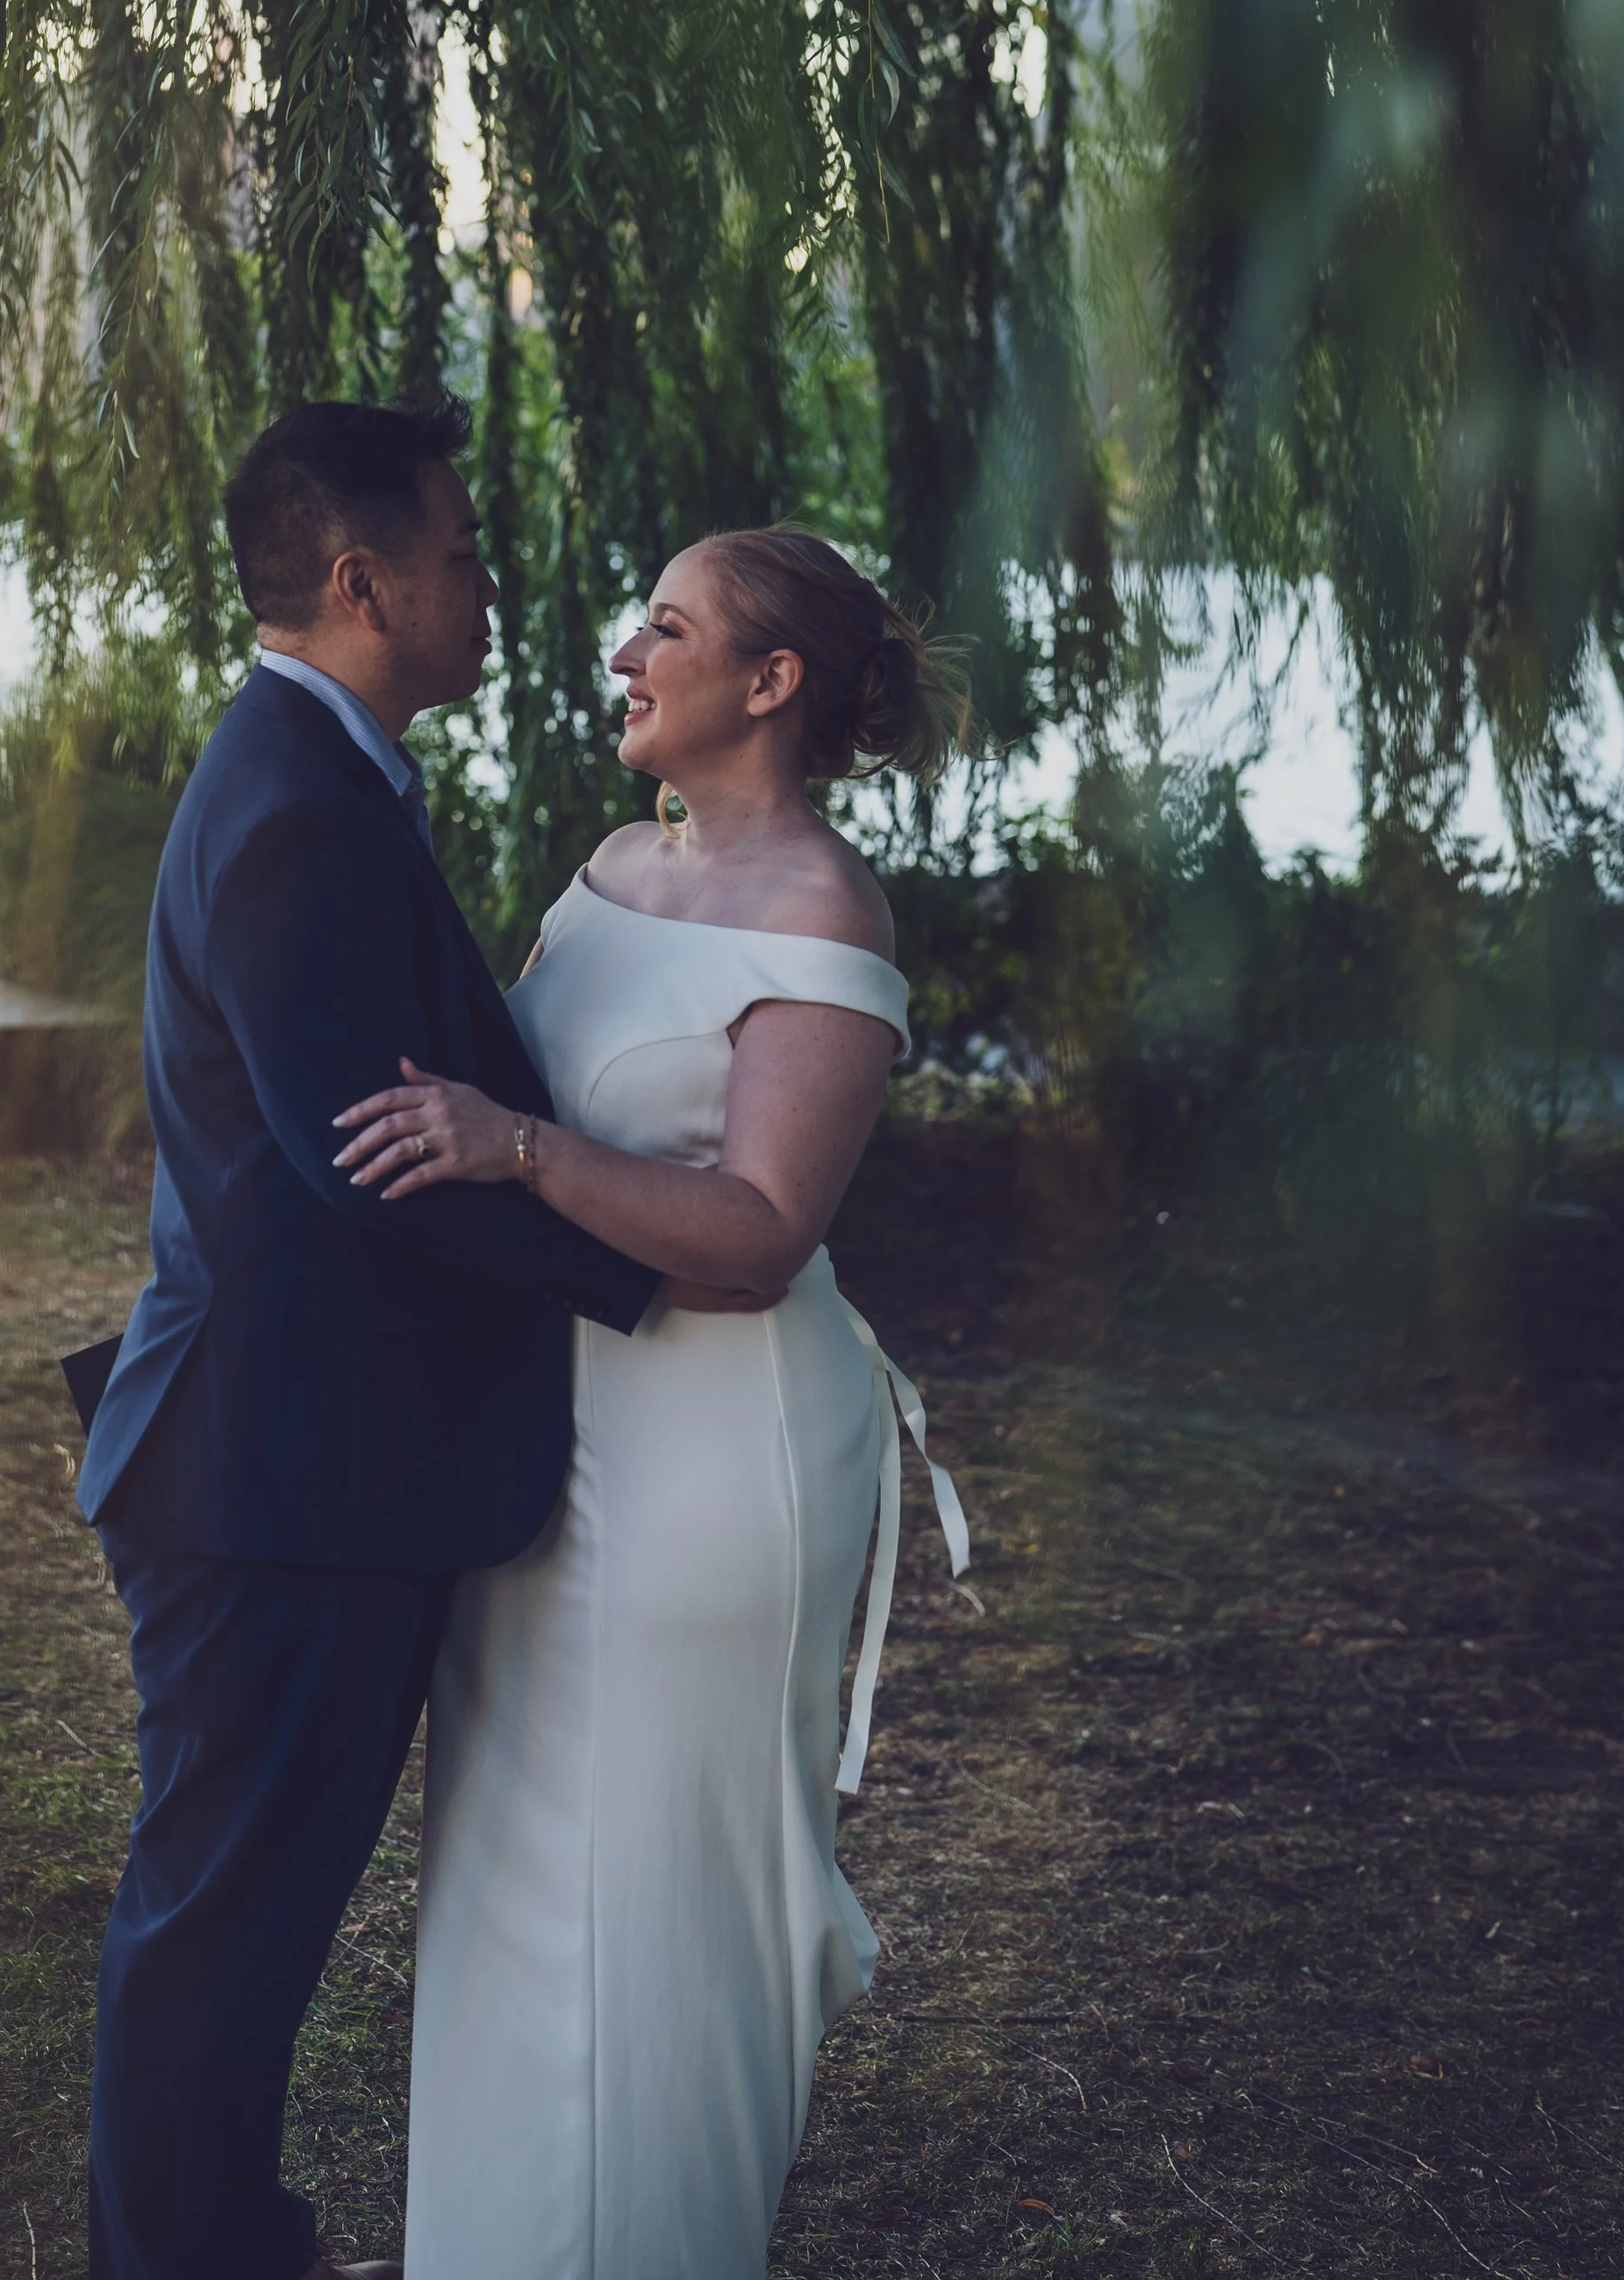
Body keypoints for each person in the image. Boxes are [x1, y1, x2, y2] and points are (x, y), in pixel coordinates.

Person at [75, 396, 748, 2280]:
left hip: (293, 1464)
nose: (489, 580)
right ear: (363, 582)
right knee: (220, 1930)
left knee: (238, 1922)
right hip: (276, 1480)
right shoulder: (293, 808)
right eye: (459, 551)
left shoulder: (322, 774)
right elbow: (371, 1159)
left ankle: (222, 2245)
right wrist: (676, 1270)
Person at [333, 522, 973, 2280]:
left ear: (765, 684)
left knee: (650, 1889)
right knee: (514, 1869)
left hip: (713, 1451)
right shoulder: (616, 859)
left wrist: (520, 1148)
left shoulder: (822, 912)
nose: (623, 650)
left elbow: (761, 1235)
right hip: (556, 1433)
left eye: (666, 628)